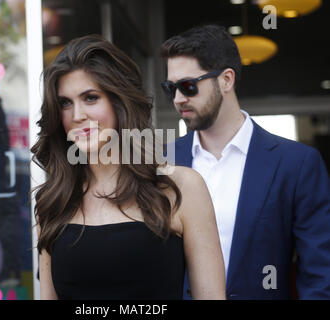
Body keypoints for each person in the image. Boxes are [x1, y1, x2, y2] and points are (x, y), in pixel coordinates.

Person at [31, 34, 226, 300]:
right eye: (65, 103)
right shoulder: (52, 202)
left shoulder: (180, 187)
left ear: (119, 102)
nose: (77, 116)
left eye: (90, 98)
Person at [160, 24, 330, 300]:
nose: (178, 99)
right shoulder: (161, 162)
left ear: (226, 80)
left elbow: (321, 275)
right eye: (171, 89)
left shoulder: (296, 164)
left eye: (188, 86)